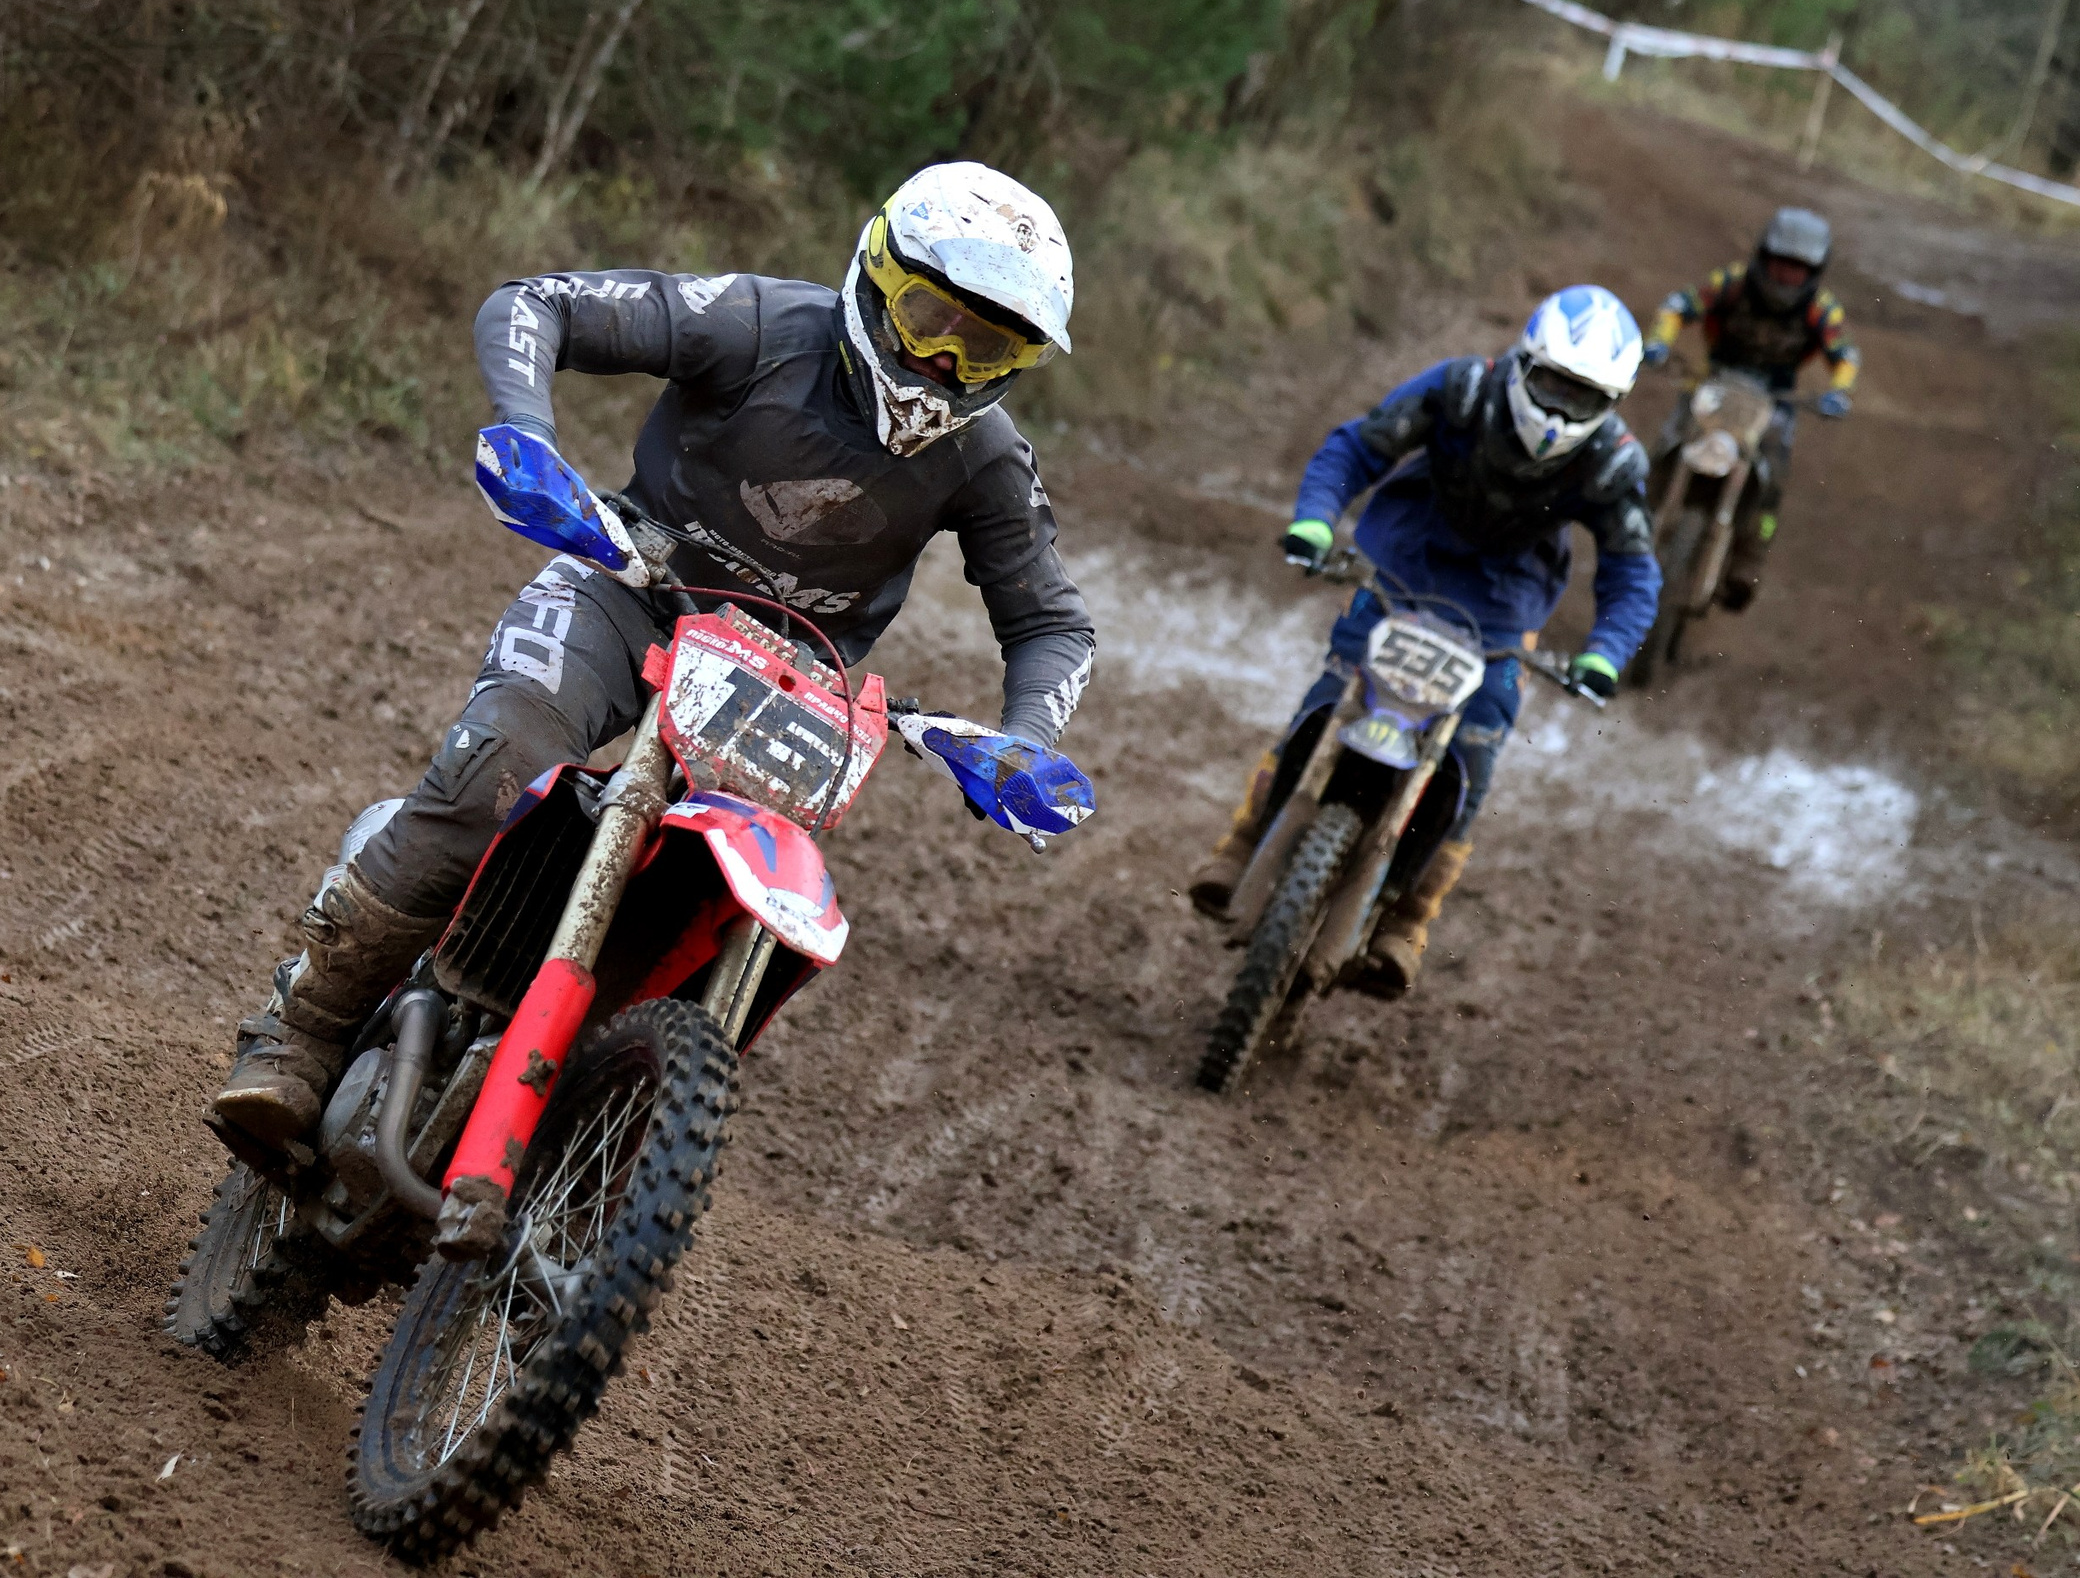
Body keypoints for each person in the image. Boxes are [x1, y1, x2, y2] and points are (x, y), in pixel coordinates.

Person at [209, 162, 1098, 1162]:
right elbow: (535, 304)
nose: (943, 362)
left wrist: (1028, 741)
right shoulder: (759, 326)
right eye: (934, 318)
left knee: (725, 917)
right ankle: (299, 1033)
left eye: (986, 347)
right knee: (497, 764)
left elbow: (1052, 624)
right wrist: (528, 438)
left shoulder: (984, 459)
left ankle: (589, 1154)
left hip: (785, 689)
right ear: (877, 277)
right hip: (630, 590)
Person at [1185, 286, 1659, 992]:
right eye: (1553, 384)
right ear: (1523, 363)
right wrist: (1317, 518)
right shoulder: (1459, 389)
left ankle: (1409, 916)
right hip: (1402, 564)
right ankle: (1244, 842)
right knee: (1330, 697)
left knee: (1477, 745)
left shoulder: (1612, 466)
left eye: (1583, 398)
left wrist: (1606, 652)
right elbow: (1359, 444)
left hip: (1503, 606)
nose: (1560, 411)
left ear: (1612, 405)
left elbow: (1632, 568)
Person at [1643, 206, 1859, 609]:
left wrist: (1839, 391)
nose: (1786, 275)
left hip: (1775, 401)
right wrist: (1658, 342)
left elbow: (1845, 355)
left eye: (1798, 268)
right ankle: (1637, 517)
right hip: (1716, 381)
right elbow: (1678, 306)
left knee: (1772, 481)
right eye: (1781, 263)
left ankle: (1749, 561)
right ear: (1764, 256)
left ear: (1814, 272)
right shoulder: (1733, 283)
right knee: (1668, 442)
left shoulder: (1821, 309)